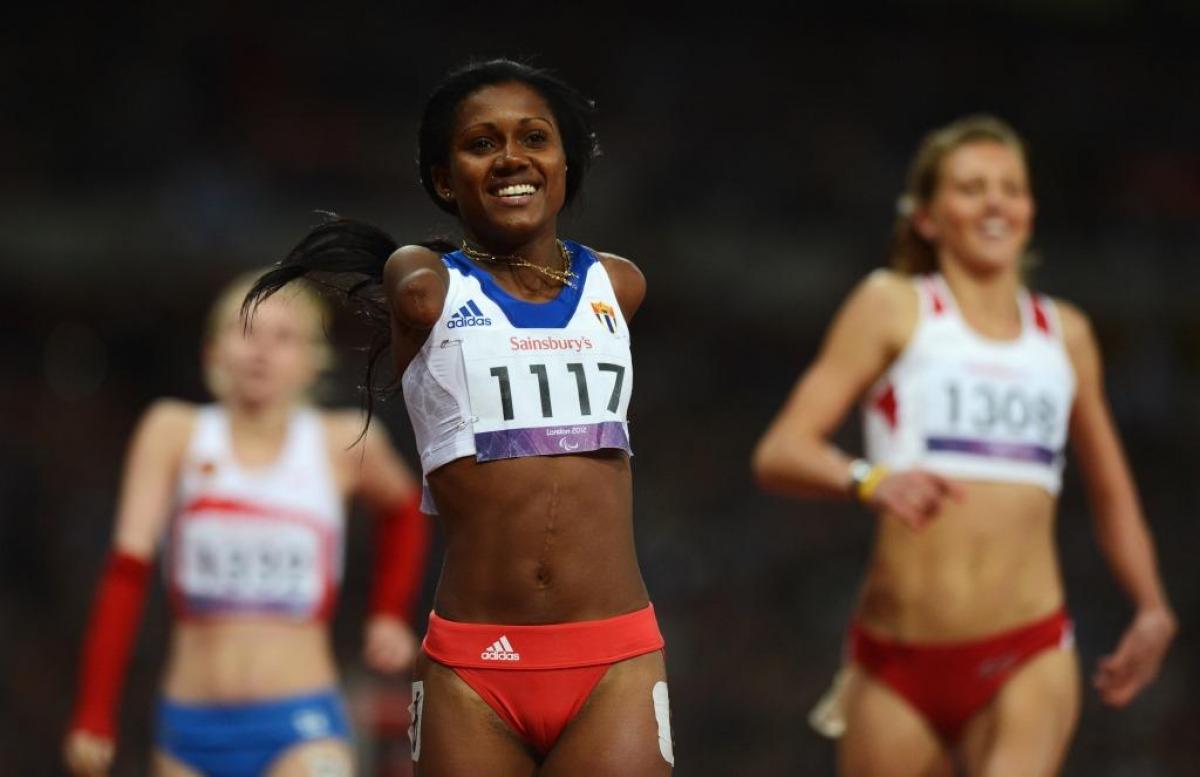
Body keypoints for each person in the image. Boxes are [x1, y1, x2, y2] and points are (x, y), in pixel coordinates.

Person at [243, 59, 673, 776]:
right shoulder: (427, 284)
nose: (511, 157)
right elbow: (407, 279)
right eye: (482, 143)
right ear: (445, 179)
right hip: (476, 666)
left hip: (614, 658)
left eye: (534, 137)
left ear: (566, 162)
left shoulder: (617, 285)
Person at [753, 115, 1177, 776]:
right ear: (926, 216)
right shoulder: (893, 306)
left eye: (1011, 187)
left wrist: (1151, 604)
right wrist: (868, 478)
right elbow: (781, 450)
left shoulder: (1065, 333)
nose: (995, 202)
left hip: (1025, 649)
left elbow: (1112, 490)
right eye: (972, 187)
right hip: (895, 660)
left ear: (1031, 209)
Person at [64, 272, 430, 777]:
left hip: (300, 721)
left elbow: (406, 506)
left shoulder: (341, 442)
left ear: (311, 360)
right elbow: (126, 574)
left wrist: (389, 609)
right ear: (213, 351)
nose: (261, 351)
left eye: (282, 338)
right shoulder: (172, 433)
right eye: (246, 332)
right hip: (189, 728)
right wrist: (94, 714)